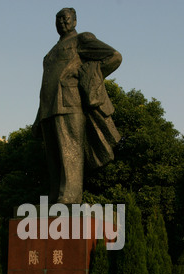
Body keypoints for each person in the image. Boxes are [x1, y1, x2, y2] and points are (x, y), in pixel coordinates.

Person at [33, 7, 122, 204]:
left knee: (69, 150)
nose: (62, 23)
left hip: (70, 103)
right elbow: (45, 86)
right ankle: (55, 195)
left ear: (74, 21)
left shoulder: (82, 39)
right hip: (48, 109)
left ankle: (70, 196)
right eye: (58, 20)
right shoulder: (49, 54)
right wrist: (38, 116)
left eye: (66, 19)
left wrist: (90, 77)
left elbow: (114, 56)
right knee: (53, 158)